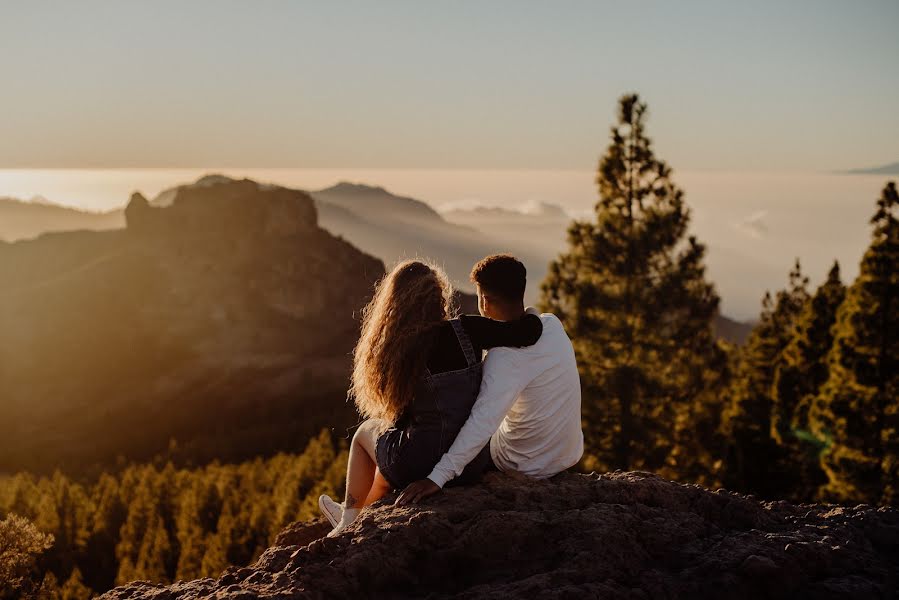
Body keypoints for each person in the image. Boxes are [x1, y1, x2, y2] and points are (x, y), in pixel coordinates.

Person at [320, 259, 543, 536]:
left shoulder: (399, 348)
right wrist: (537, 314)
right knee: (389, 446)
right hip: (471, 463)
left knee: (366, 433)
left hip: (420, 465)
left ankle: (347, 521)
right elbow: (529, 331)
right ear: (439, 296)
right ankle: (361, 515)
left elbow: (400, 417)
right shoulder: (469, 330)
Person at [396, 254, 584, 505]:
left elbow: (482, 423)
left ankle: (351, 516)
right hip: (565, 455)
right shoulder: (552, 325)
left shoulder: (502, 358)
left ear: (485, 299)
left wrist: (437, 478)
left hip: (520, 463)